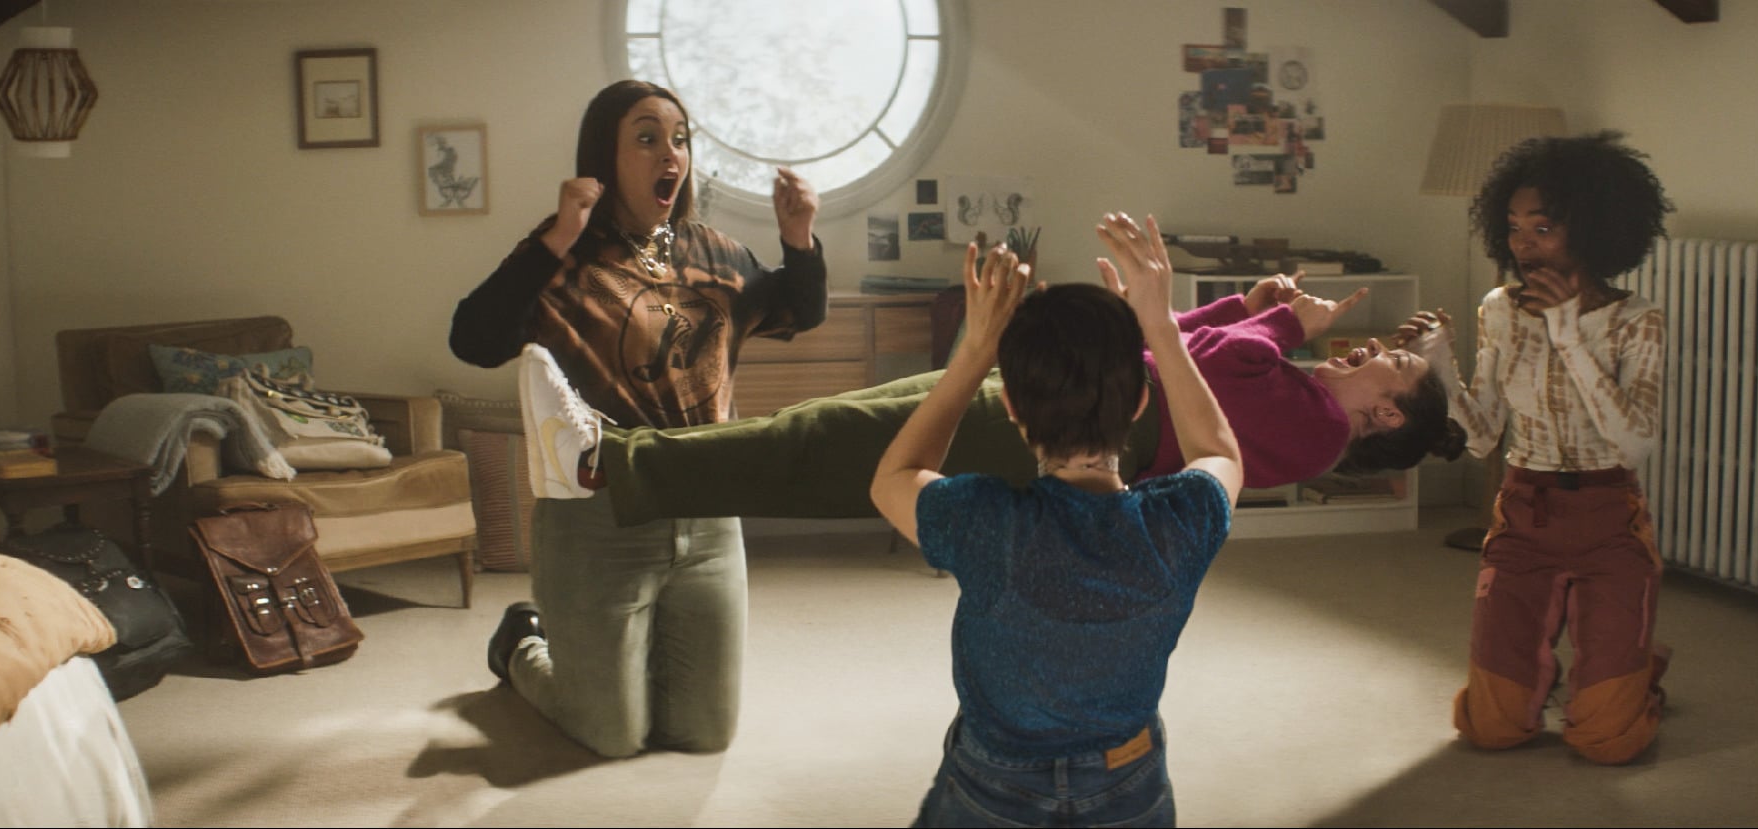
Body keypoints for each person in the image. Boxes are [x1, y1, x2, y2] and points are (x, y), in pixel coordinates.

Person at [449, 79, 826, 759]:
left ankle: (620, 661)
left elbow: (800, 311)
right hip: (602, 518)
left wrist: (798, 237)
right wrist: (559, 234)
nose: (669, 153)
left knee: (703, 732)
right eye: (647, 137)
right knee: (610, 735)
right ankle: (519, 644)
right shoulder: (563, 258)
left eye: (679, 138)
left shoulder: (714, 253)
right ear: (605, 155)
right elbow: (472, 339)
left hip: (709, 516)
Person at [559, 266, 1467, 528]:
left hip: (1078, 425)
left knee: (832, 453)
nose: (1385, 351)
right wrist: (1249, 304)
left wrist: (1282, 326)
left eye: (1400, 368)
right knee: (826, 427)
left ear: (1385, 414)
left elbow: (1207, 372)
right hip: (1072, 386)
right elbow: (1176, 340)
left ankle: (604, 462)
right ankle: (620, 458)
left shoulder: (1314, 435)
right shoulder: (1298, 390)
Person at [873, 213, 1242, 827]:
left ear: (1011, 407)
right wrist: (1161, 327)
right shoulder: (1183, 522)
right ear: (1143, 402)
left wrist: (973, 353)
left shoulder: (983, 522)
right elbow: (1221, 453)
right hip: (1131, 777)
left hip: (994, 784)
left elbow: (894, 475)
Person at [1396, 130, 1673, 765]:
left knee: (1607, 743)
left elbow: (1634, 442)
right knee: (1490, 729)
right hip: (1523, 513)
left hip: (1609, 519)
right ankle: (1592, 663)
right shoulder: (1499, 309)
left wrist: (1569, 335)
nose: (1523, 242)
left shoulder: (1638, 320)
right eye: (1515, 226)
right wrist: (1438, 364)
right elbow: (1485, 435)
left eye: (1542, 227)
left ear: (1592, 229)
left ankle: (1636, 667)